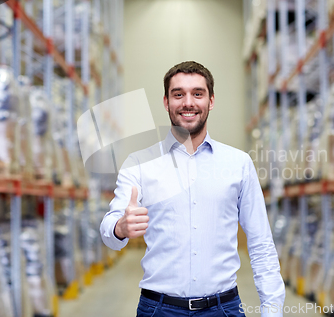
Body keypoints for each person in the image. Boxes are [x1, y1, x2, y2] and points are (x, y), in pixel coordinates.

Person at [100, 61, 285, 317]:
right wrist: (120, 228)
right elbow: (109, 232)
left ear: (211, 101)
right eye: (178, 94)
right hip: (158, 309)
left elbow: (261, 243)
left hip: (224, 309)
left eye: (197, 93)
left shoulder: (238, 164)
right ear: (166, 102)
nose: (188, 102)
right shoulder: (139, 164)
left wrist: (272, 310)